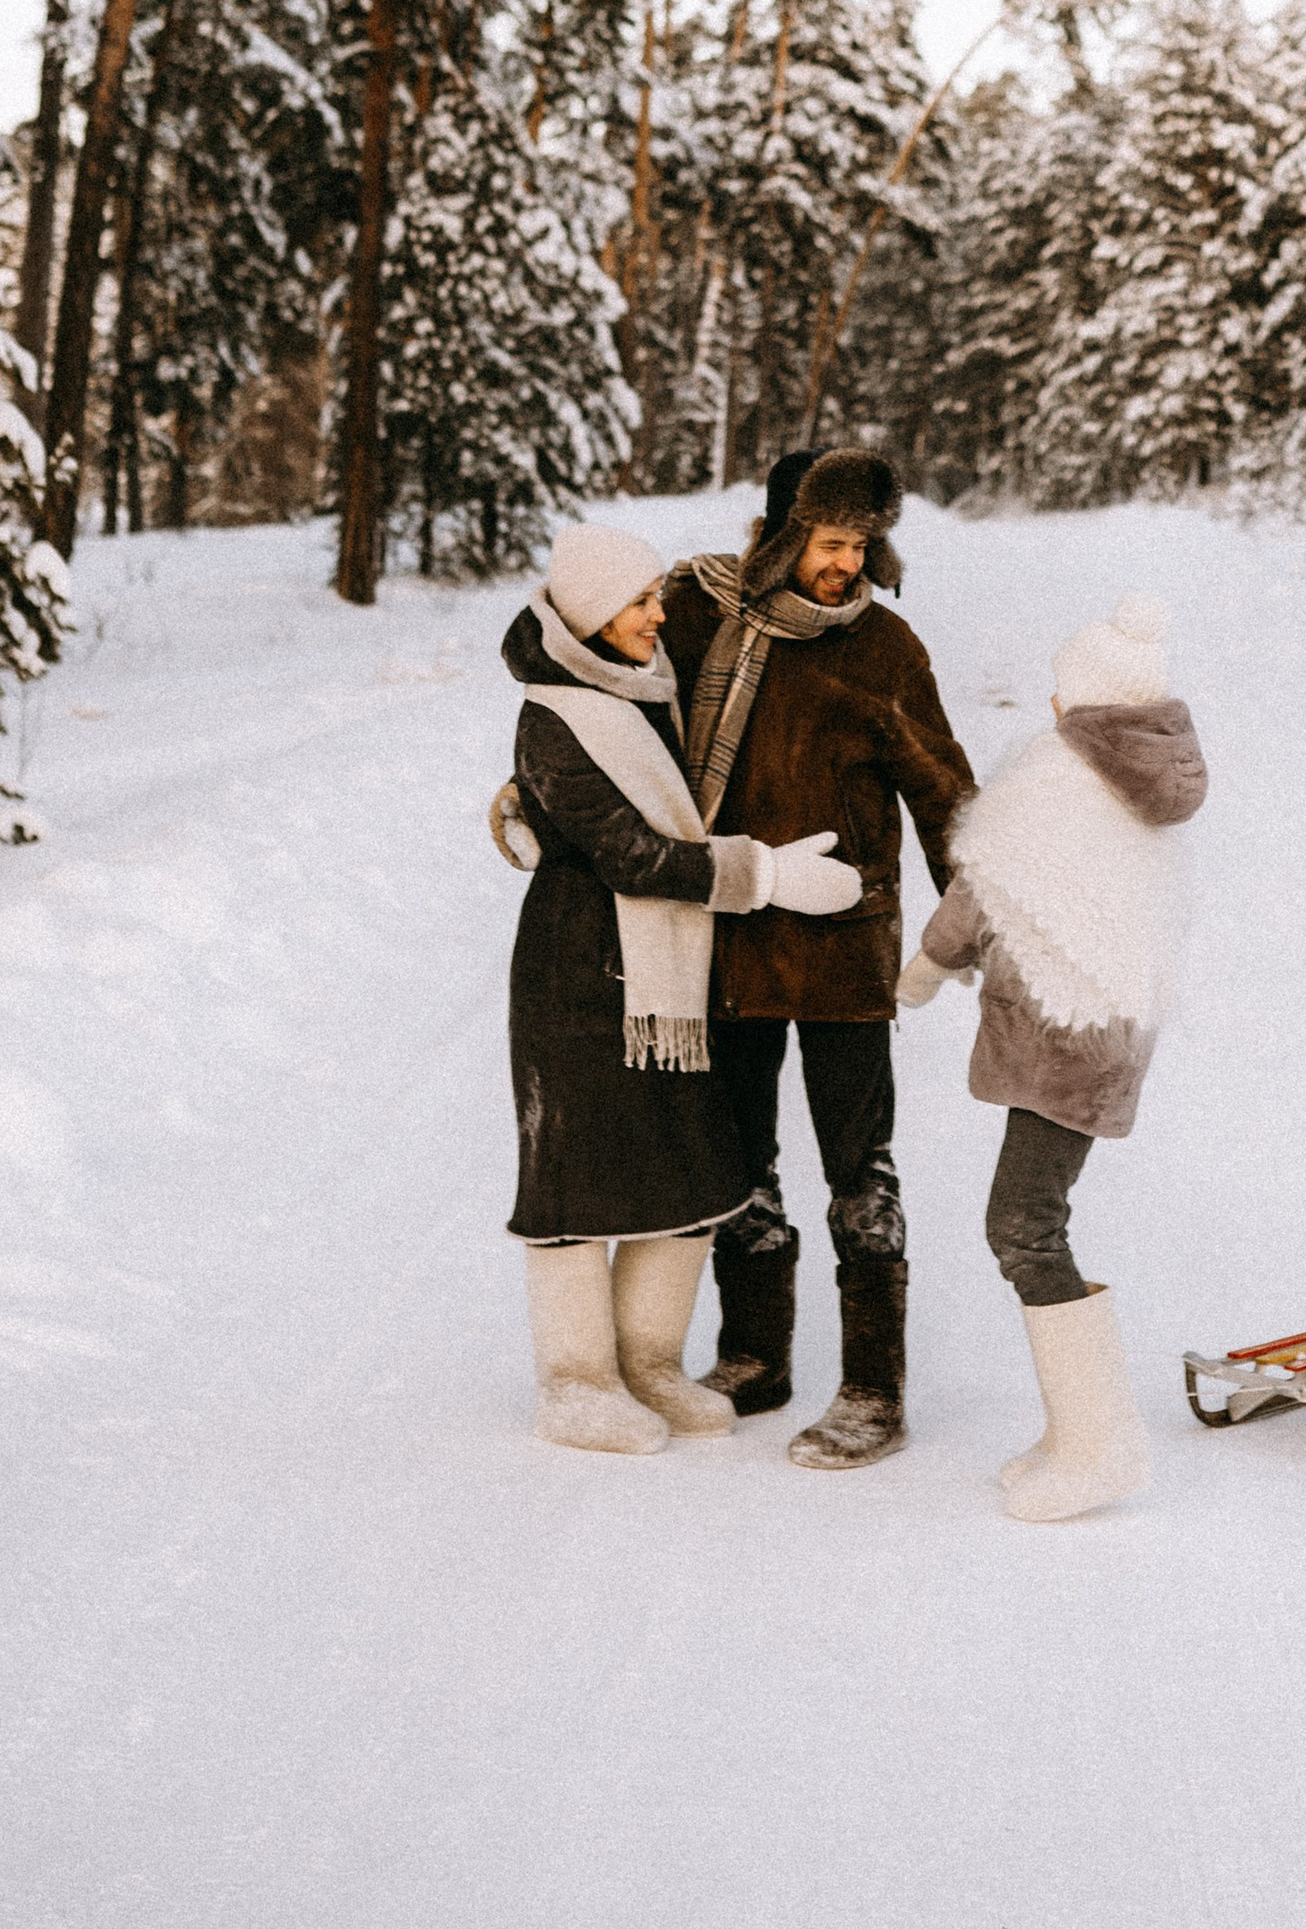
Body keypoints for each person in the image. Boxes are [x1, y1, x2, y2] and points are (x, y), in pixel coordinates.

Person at [496, 520, 862, 1456]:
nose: (661, 616)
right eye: (642, 601)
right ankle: (576, 1382)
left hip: (662, 982)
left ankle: (649, 1361)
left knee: (696, 1170)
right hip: (578, 982)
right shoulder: (555, 712)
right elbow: (634, 852)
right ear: (588, 614)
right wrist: (765, 878)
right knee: (575, 1181)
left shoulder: (635, 686)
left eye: (659, 594)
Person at [661, 447, 976, 1470]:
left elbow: (942, 789)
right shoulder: (698, 612)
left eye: (860, 544)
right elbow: (609, 689)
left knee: (860, 1172)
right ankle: (756, 1355)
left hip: (842, 950)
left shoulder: (882, 648)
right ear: (781, 533)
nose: (847, 563)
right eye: (829, 542)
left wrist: (979, 917)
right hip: (731, 939)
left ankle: (873, 1387)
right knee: (735, 1162)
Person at [896, 591, 1206, 1522]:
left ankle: (1101, 1445)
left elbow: (978, 893)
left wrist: (917, 975)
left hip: (1061, 1034)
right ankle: (1076, 1432)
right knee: (1034, 1219)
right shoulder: (1150, 769)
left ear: (1077, 704)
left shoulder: (1056, 776)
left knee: (1023, 1226)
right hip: (1107, 1031)